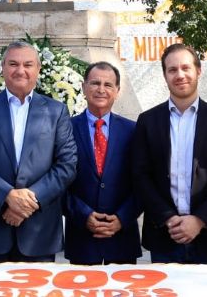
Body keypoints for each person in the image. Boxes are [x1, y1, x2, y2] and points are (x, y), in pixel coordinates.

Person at [0, 40, 77, 262]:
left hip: (38, 231)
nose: (20, 70)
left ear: (38, 69)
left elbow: (67, 165)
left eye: (28, 64)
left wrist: (29, 201)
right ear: (3, 68)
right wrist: (6, 197)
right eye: (13, 64)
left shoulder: (56, 111)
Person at [131, 43, 207, 265]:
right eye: (172, 70)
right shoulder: (147, 121)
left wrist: (199, 220)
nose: (180, 75)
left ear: (198, 71)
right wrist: (168, 217)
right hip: (164, 237)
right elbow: (140, 175)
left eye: (186, 68)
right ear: (165, 75)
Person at [64, 61, 141, 265]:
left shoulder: (134, 131)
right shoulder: (65, 129)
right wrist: (84, 215)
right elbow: (59, 183)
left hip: (122, 240)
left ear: (117, 91)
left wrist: (122, 218)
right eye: (95, 83)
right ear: (84, 87)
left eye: (108, 85)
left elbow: (143, 183)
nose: (101, 89)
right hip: (82, 240)